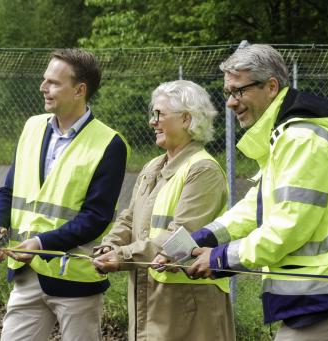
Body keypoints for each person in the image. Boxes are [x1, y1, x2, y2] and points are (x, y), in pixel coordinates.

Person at [182, 44, 328, 340]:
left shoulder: (299, 139)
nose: (231, 103)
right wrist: (204, 237)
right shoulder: (287, 135)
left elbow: (287, 229)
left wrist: (220, 258)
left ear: (271, 86)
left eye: (238, 91)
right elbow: (257, 206)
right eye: (228, 93)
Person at [0, 48, 128, 341]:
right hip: (26, 276)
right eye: (44, 80)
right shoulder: (32, 127)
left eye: (53, 83)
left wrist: (40, 243)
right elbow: (9, 191)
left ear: (80, 90)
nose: (43, 88)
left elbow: (96, 218)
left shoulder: (110, 143)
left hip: (75, 280)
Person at [92, 80, 235, 341]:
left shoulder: (203, 170)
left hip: (189, 307)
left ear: (186, 119)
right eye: (153, 114)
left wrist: (122, 255)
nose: (152, 122)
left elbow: (182, 236)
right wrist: (108, 246)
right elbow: (129, 218)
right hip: (150, 297)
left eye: (159, 114)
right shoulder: (152, 167)